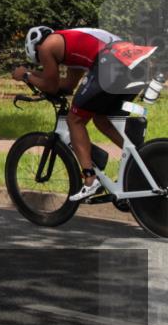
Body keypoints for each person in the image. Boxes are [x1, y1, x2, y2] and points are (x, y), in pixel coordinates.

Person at [13, 26, 156, 201]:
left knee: (75, 120)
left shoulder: (45, 47)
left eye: (41, 62)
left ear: (34, 48)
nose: (44, 62)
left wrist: (26, 75)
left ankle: (90, 180)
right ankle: (144, 161)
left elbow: (51, 85)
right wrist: (35, 74)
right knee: (100, 119)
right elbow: (66, 85)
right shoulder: (71, 46)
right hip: (134, 62)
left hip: (110, 61)